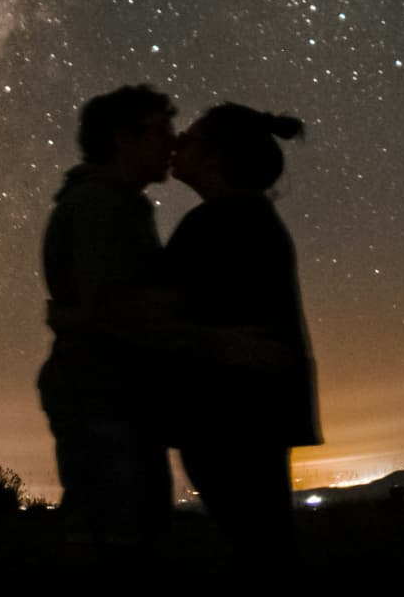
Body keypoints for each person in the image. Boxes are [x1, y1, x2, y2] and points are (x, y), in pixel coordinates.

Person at [160, 103, 320, 567]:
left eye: (187, 138)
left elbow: (160, 314)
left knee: (255, 547)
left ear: (213, 157)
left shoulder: (213, 225)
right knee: (264, 542)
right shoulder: (249, 219)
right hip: (257, 415)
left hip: (228, 418)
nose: (175, 143)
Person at [37, 84, 178, 551]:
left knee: (115, 531)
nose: (171, 143)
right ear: (123, 139)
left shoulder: (116, 203)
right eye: (160, 132)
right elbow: (113, 310)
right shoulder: (100, 206)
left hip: (109, 395)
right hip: (104, 397)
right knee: (119, 539)